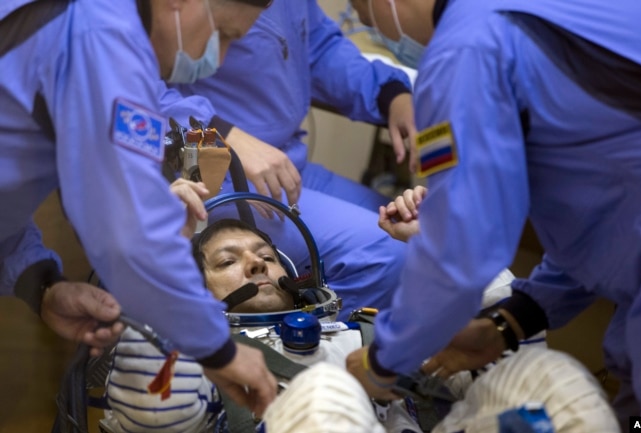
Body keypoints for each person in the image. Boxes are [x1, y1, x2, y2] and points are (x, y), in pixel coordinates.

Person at [345, 0, 641, 430]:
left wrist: (382, 360)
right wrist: (508, 323)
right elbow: (600, 204)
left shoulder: (461, 53)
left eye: (362, 9)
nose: (364, 22)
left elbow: (461, 248)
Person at [0, 0, 278, 416]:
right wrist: (218, 350)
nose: (217, 59)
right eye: (222, 34)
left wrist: (39, 283)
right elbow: (130, 231)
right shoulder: (104, 39)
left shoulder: (101, 34)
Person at [159, 0, 419, 317]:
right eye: (223, 35)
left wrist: (390, 94)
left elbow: (319, 46)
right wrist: (222, 134)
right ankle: (292, 350)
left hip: (287, 162)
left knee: (416, 230)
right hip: (214, 172)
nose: (224, 52)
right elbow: (133, 91)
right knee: (389, 254)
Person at [102, 217, 422, 433]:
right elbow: (156, 415)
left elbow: (465, 360)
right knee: (321, 394)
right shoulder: (194, 362)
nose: (257, 263)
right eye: (228, 261)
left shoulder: (370, 335)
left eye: (267, 257)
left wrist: (430, 242)